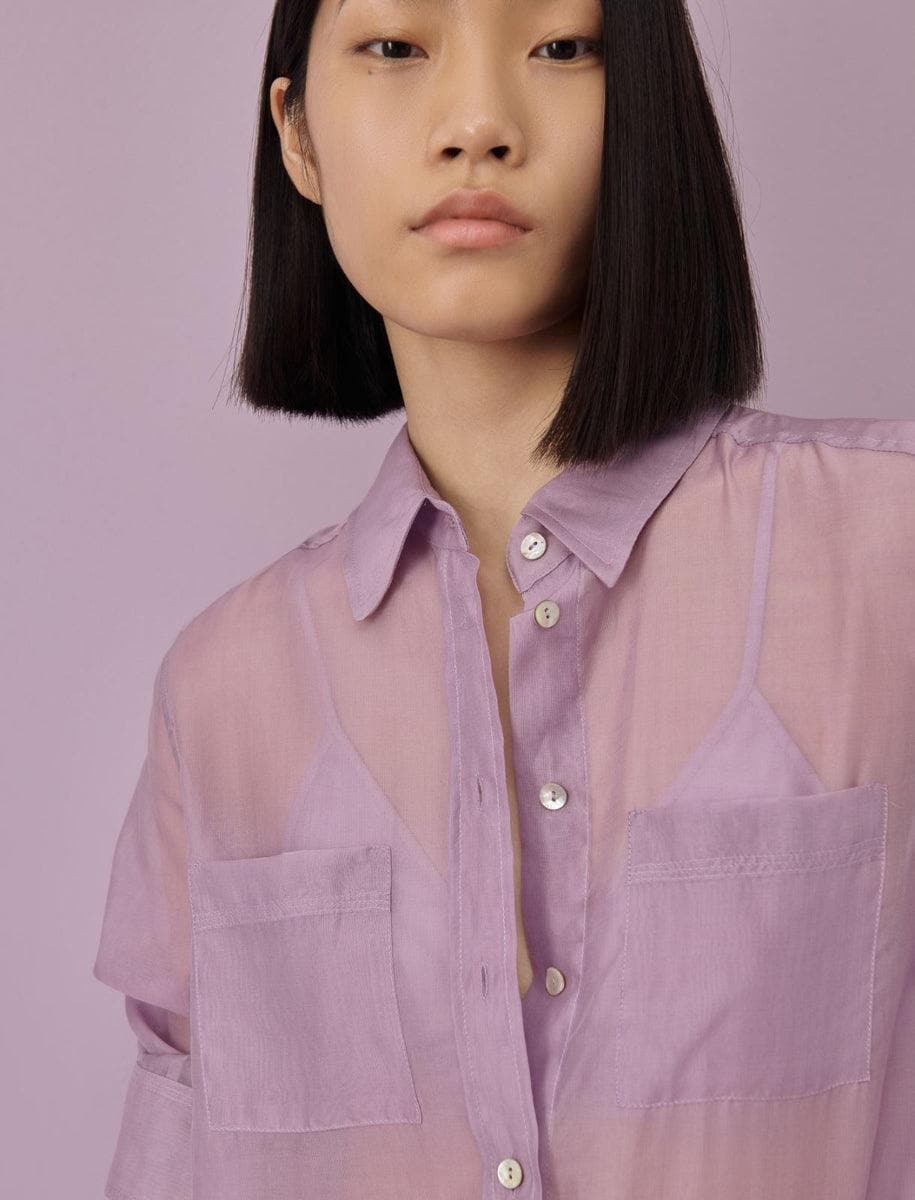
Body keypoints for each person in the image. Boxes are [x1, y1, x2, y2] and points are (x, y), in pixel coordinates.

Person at [92, 0, 915, 1197]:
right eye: (393, 46)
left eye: (562, 46)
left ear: (647, 114)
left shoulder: (888, 557)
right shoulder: (223, 694)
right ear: (299, 137)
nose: (477, 123)